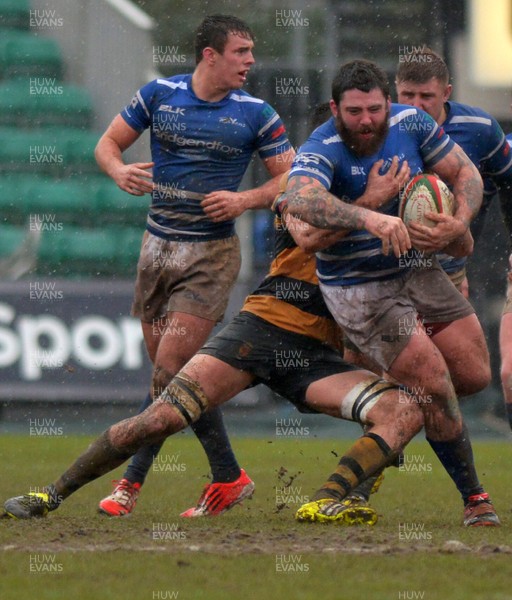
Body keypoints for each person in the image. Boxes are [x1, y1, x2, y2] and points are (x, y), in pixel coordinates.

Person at [3, 160, 425, 523]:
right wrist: (370, 205)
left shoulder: (391, 205)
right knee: (160, 417)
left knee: (404, 410)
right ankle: (51, 494)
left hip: (314, 356)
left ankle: (325, 500)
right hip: (261, 330)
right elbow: (312, 237)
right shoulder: (301, 185)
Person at [278, 59, 500, 527]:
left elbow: (468, 176)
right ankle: (475, 500)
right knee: (435, 383)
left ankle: (391, 411)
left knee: (475, 375)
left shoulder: (411, 122)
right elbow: (300, 199)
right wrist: (370, 215)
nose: (366, 120)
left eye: (375, 109)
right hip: (363, 288)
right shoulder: (323, 146)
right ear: (337, 108)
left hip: (418, 268)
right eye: (355, 111)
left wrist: (457, 222)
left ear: (388, 103)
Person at [92, 15, 295, 517]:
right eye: (241, 52)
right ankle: (229, 476)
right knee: (177, 378)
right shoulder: (159, 95)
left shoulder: (257, 113)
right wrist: (119, 170)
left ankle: (128, 485)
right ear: (210, 55)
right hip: (157, 247)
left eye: (251, 52)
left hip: (211, 253)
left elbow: (293, 180)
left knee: (169, 372)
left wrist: (245, 199)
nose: (250, 61)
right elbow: (106, 144)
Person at [395, 47, 512, 297]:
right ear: (396, 89)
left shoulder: (480, 129)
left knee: (471, 339)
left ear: (446, 92)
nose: (416, 106)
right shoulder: (378, 128)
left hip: (451, 274)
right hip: (387, 277)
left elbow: (509, 184)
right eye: (407, 95)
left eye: (426, 96)